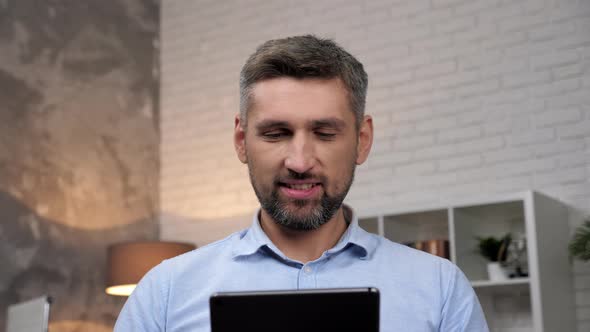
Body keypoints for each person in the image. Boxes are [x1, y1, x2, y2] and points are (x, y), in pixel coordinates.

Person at [114, 35, 488, 332]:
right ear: (242, 142)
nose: (300, 162)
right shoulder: (164, 291)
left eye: (325, 133)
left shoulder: (440, 288)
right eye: (276, 133)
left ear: (362, 140)